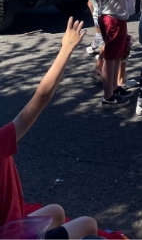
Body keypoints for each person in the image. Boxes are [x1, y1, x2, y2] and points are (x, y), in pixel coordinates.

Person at [0, 17, 98, 238]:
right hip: (12, 236)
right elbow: (42, 95)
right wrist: (67, 48)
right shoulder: (1, 141)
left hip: (8, 228)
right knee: (88, 224)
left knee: (56, 212)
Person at [89, 0, 140, 109]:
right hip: (113, 20)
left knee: (116, 55)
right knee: (111, 59)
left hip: (108, 18)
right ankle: (108, 97)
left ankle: (115, 89)